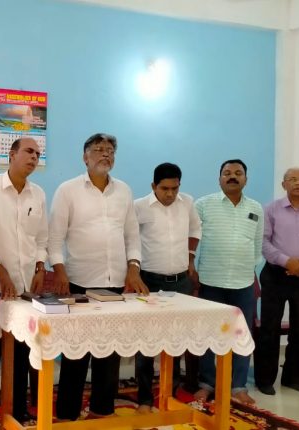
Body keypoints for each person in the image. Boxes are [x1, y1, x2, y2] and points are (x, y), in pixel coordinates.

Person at [48, 133, 148, 421]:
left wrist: (133, 267)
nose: (105, 154)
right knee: (76, 353)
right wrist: (60, 271)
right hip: (79, 281)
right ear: (85, 157)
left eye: (110, 150)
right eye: (98, 149)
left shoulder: (124, 191)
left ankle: (102, 411)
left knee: (109, 352)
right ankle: (67, 415)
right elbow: (55, 237)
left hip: (115, 282)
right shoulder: (68, 190)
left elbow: (132, 235)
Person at [0, 137, 48, 429]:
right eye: (28, 151)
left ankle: (17, 413)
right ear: (11, 155)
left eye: (37, 153)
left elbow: (41, 237)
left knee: (22, 353)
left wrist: (40, 266)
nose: (34, 157)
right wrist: (0, 272)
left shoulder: (38, 194)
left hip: (25, 289)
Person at [133, 162, 201, 413]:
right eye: (165, 189)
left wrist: (191, 257)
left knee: (175, 339)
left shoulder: (187, 202)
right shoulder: (139, 206)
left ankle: (168, 394)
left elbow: (195, 229)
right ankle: (144, 398)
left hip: (180, 282)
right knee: (146, 342)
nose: (170, 194)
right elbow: (129, 239)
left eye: (175, 188)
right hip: (149, 282)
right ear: (153, 186)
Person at [254, 168, 299, 395]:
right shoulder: (271, 209)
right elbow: (263, 242)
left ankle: (294, 378)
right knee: (269, 327)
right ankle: (265, 379)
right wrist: (287, 261)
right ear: (284, 184)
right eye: (293, 179)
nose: (298, 183)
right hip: (276, 274)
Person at [194, 159, 262, 405]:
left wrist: (249, 269)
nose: (232, 176)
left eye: (238, 173)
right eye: (227, 173)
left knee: (242, 334)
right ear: (219, 178)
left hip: (243, 283)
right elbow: (193, 240)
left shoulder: (256, 208)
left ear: (246, 178)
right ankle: (207, 384)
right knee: (208, 334)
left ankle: (238, 386)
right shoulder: (203, 205)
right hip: (210, 280)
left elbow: (257, 245)